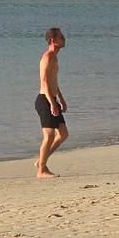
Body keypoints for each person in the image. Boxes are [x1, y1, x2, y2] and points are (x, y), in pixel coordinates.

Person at [35, 27, 69, 178]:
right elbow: (44, 83)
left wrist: (60, 98)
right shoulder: (47, 57)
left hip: (52, 99)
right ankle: (41, 170)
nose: (64, 39)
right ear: (53, 41)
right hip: (44, 100)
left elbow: (54, 81)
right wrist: (52, 103)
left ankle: (41, 161)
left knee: (63, 134)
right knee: (49, 135)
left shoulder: (55, 57)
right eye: (62, 37)